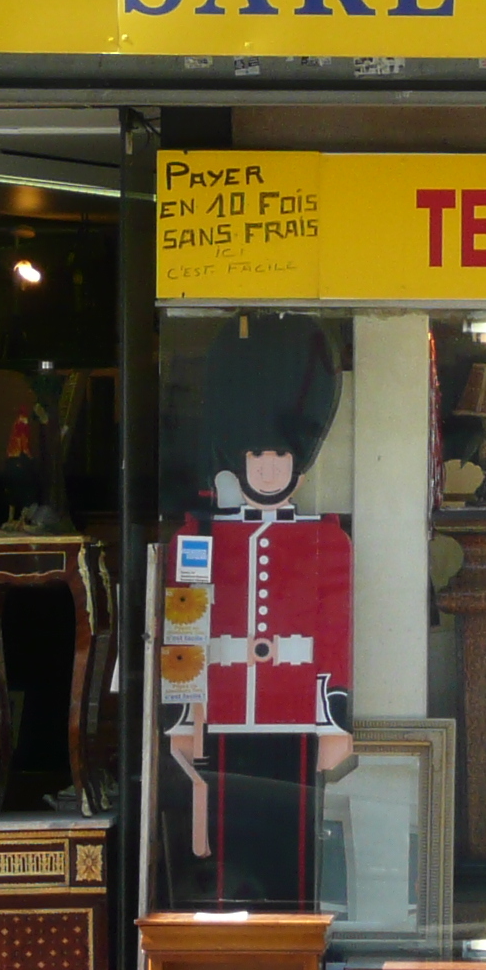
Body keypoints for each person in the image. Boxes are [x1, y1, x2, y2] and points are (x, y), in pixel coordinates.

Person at [162, 315, 353, 908]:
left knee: (289, 861)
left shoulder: (326, 541)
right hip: (221, 714)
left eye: (280, 456)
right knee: (223, 862)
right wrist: (182, 717)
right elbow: (183, 632)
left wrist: (333, 722)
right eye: (258, 456)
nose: (269, 467)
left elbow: (333, 638)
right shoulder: (199, 539)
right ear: (238, 459)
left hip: (292, 714)